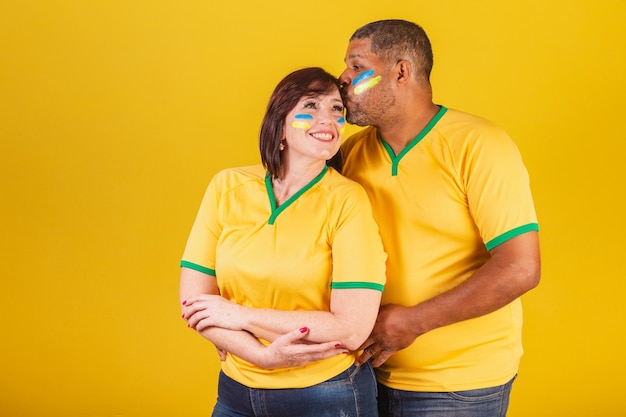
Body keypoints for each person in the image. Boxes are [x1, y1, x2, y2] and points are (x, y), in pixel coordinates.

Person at [337, 19, 541, 417]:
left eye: (357, 66)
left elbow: (521, 268)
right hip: (362, 375)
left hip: (458, 386)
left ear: (401, 71)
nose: (343, 78)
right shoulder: (348, 155)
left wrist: (412, 322)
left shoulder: (479, 144)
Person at [179, 67, 386, 417]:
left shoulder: (348, 200)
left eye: (337, 110)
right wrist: (261, 356)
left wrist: (237, 315)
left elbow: (350, 329)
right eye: (311, 106)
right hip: (236, 392)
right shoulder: (227, 187)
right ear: (279, 124)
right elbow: (194, 303)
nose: (329, 119)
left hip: (326, 394)